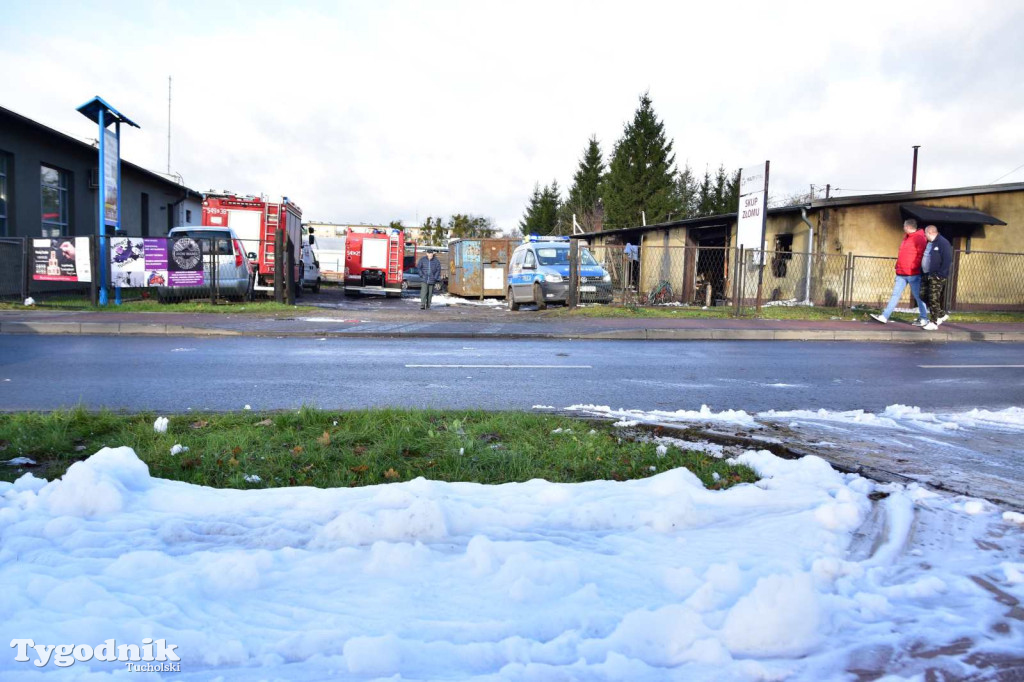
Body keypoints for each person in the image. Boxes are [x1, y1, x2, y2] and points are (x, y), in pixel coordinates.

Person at [870, 218, 929, 325]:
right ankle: (885, 316)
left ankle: (924, 317)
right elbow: (903, 254)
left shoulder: (918, 238)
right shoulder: (907, 238)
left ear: (908, 227)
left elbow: (921, 255)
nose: (903, 228)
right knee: (895, 295)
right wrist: (898, 266)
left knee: (918, 296)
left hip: (912, 273)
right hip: (901, 273)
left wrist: (913, 267)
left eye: (904, 226)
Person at [920, 224, 953, 331]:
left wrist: (940, 275)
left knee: (933, 298)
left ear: (930, 232)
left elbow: (947, 260)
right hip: (928, 274)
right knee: (922, 295)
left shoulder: (943, 243)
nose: (925, 236)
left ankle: (933, 322)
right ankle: (941, 314)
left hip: (937, 276)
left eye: (925, 233)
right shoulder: (930, 243)